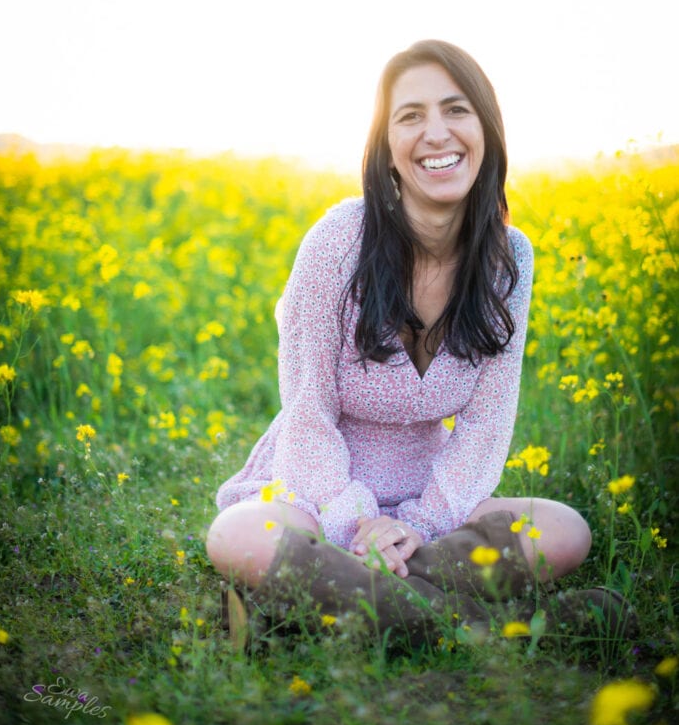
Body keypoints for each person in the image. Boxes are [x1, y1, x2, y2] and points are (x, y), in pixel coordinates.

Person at [206, 40, 629, 648]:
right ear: (387, 147)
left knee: (563, 531)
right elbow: (306, 408)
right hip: (317, 484)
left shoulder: (511, 259)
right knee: (239, 537)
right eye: (410, 116)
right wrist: (359, 523)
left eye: (456, 110)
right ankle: (484, 632)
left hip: (431, 498)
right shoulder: (337, 241)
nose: (436, 133)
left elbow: (488, 419)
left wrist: (419, 523)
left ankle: (333, 604)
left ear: (486, 127)